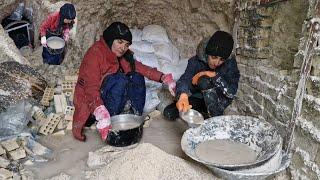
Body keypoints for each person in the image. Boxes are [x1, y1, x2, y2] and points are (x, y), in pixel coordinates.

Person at [72, 22, 176, 141]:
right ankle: (109, 120)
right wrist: (100, 112)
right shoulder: (95, 54)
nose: (123, 48)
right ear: (110, 39)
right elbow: (90, 88)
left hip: (110, 95)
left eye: (126, 45)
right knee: (120, 80)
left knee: (136, 77)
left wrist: (163, 77)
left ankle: (134, 117)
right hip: (94, 104)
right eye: (120, 42)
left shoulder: (120, 55)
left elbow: (139, 68)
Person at [163, 31, 240, 120]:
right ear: (207, 54)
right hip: (199, 100)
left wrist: (212, 74)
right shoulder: (195, 61)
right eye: (214, 57)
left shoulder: (230, 65)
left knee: (203, 80)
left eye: (222, 59)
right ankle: (203, 113)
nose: (217, 63)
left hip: (218, 102)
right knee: (169, 112)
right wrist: (182, 95)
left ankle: (214, 117)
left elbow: (231, 92)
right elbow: (185, 79)